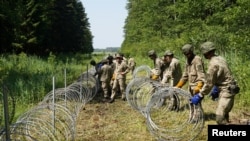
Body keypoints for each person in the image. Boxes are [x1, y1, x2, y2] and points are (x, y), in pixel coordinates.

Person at [190, 41, 240, 125]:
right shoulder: (220, 58)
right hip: (229, 88)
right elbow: (224, 75)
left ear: (206, 53)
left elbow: (209, 82)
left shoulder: (213, 64)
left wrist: (200, 95)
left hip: (226, 91)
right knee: (225, 114)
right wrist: (216, 87)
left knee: (219, 118)